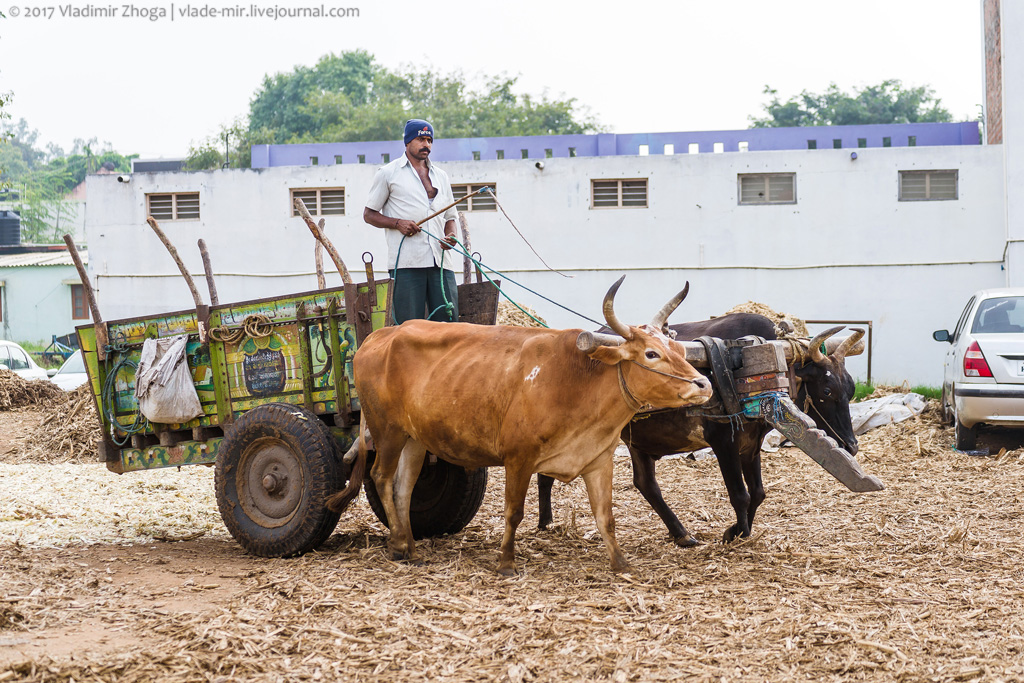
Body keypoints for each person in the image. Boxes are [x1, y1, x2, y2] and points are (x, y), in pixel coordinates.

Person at [364, 119, 460, 324]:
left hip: (441, 263)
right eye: (420, 139)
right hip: (407, 264)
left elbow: (450, 217)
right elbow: (369, 214)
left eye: (429, 140)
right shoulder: (388, 173)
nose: (426, 145)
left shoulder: (441, 176)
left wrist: (451, 236)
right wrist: (398, 223)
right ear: (407, 142)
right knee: (410, 328)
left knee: (450, 326)